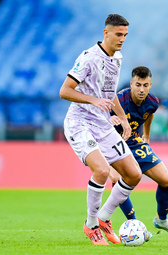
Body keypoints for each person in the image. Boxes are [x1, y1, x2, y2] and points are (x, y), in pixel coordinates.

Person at [59, 14, 142, 246]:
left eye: (125, 35)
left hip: (103, 123)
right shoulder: (88, 58)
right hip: (80, 122)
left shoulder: (117, 58)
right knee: (102, 171)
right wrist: (92, 100)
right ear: (105, 33)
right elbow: (64, 91)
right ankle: (92, 224)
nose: (122, 39)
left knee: (134, 174)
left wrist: (123, 119)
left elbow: (109, 92)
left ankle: (104, 218)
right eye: (118, 34)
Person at [109, 66, 168, 238]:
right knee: (116, 179)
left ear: (150, 84)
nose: (141, 89)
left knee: (167, 181)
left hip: (135, 142)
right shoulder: (119, 100)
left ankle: (162, 220)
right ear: (131, 84)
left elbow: (148, 114)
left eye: (145, 85)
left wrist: (147, 136)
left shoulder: (153, 102)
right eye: (138, 85)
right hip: (112, 142)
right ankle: (135, 224)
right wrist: (108, 118)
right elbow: (97, 116)